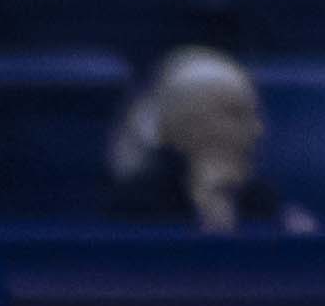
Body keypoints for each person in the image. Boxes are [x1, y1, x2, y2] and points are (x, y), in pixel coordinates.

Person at [108, 46, 304, 232]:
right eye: (235, 114)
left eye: (254, 114)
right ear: (182, 123)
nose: (257, 130)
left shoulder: (263, 203)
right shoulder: (134, 209)